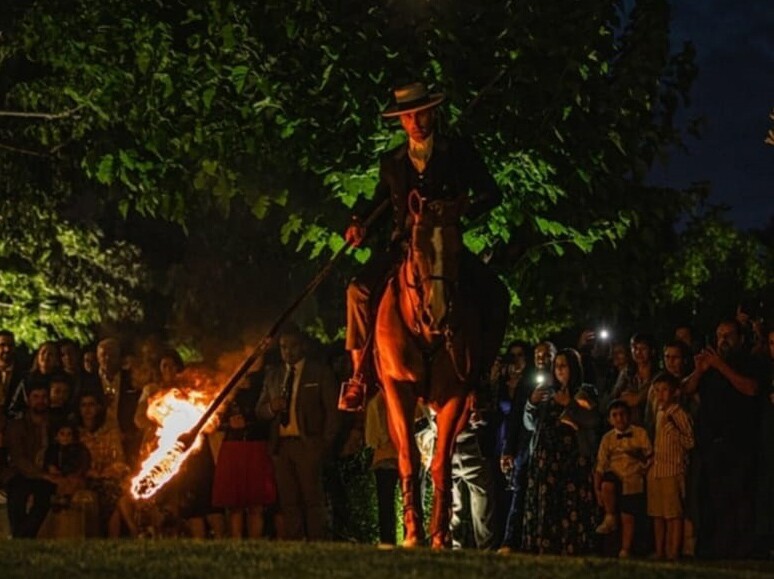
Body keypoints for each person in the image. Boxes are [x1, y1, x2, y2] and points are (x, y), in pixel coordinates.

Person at [338, 81, 509, 411]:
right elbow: (382, 203)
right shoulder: (392, 162)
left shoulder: (458, 152)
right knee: (357, 291)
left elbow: (491, 193)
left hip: (444, 246)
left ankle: (481, 377)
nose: (415, 122)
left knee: (497, 294)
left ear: (432, 113)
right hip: (404, 247)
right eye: (408, 117)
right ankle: (359, 375)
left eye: (420, 114)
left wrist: (459, 209)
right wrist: (361, 223)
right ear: (401, 121)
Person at [683, 318, 766, 559]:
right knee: (714, 498)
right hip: (711, 443)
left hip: (740, 442)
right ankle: (718, 547)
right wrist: (700, 370)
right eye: (720, 336)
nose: (723, 340)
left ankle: (744, 549)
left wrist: (720, 366)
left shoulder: (749, 362)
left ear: (740, 338)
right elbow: (686, 389)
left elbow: (751, 388)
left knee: (740, 497)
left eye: (729, 335)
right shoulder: (709, 366)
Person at [256, 324, 341, 541]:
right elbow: (260, 410)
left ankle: (317, 542)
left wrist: (323, 444)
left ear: (302, 346)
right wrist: (272, 407)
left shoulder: (319, 372)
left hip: (308, 444)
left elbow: (332, 412)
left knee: (312, 499)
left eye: (293, 346)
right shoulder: (274, 375)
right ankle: (296, 542)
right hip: (282, 446)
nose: (288, 351)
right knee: (288, 500)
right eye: (283, 347)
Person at [521, 348, 599, 555]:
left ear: (573, 368)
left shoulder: (585, 392)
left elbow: (592, 420)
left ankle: (571, 547)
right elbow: (530, 424)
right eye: (556, 366)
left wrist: (569, 404)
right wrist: (531, 403)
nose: (559, 370)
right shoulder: (548, 393)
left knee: (569, 504)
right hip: (546, 459)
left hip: (571, 459)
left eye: (564, 366)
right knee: (547, 504)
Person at [594, 399, 652, 558]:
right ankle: (610, 517)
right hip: (614, 478)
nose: (619, 418)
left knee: (628, 515)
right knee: (607, 484)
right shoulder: (607, 439)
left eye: (622, 414)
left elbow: (650, 456)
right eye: (615, 415)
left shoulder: (640, 433)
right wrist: (597, 489)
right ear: (610, 419)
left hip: (634, 478)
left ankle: (625, 549)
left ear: (629, 415)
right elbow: (600, 466)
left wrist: (639, 457)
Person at [647, 372, 694, 560]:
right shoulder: (658, 412)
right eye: (657, 390)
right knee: (658, 515)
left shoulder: (678, 414)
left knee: (673, 514)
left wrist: (674, 431)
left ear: (674, 392)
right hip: (657, 470)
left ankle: (673, 552)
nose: (660, 394)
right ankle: (660, 552)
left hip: (672, 471)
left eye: (665, 390)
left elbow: (690, 442)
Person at [5, 382, 56, 537]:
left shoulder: (53, 425)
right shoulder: (17, 426)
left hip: (45, 474)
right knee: (17, 495)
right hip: (20, 473)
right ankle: (21, 537)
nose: (40, 401)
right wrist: (43, 474)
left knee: (44, 497)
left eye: (44, 397)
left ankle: (20, 538)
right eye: (36, 397)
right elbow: (18, 458)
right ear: (28, 400)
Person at [364, 390, 399, 547]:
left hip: (384, 456)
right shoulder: (411, 397)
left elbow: (371, 439)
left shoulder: (376, 402)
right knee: (410, 500)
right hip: (403, 457)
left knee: (386, 504)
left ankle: (387, 540)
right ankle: (412, 538)